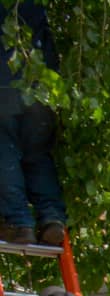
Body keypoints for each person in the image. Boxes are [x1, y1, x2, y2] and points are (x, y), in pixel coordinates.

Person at [0, 2, 63, 246]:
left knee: (4, 152)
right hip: (40, 93)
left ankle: (18, 223)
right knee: (38, 156)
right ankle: (51, 218)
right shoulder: (32, 5)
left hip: (4, 91)